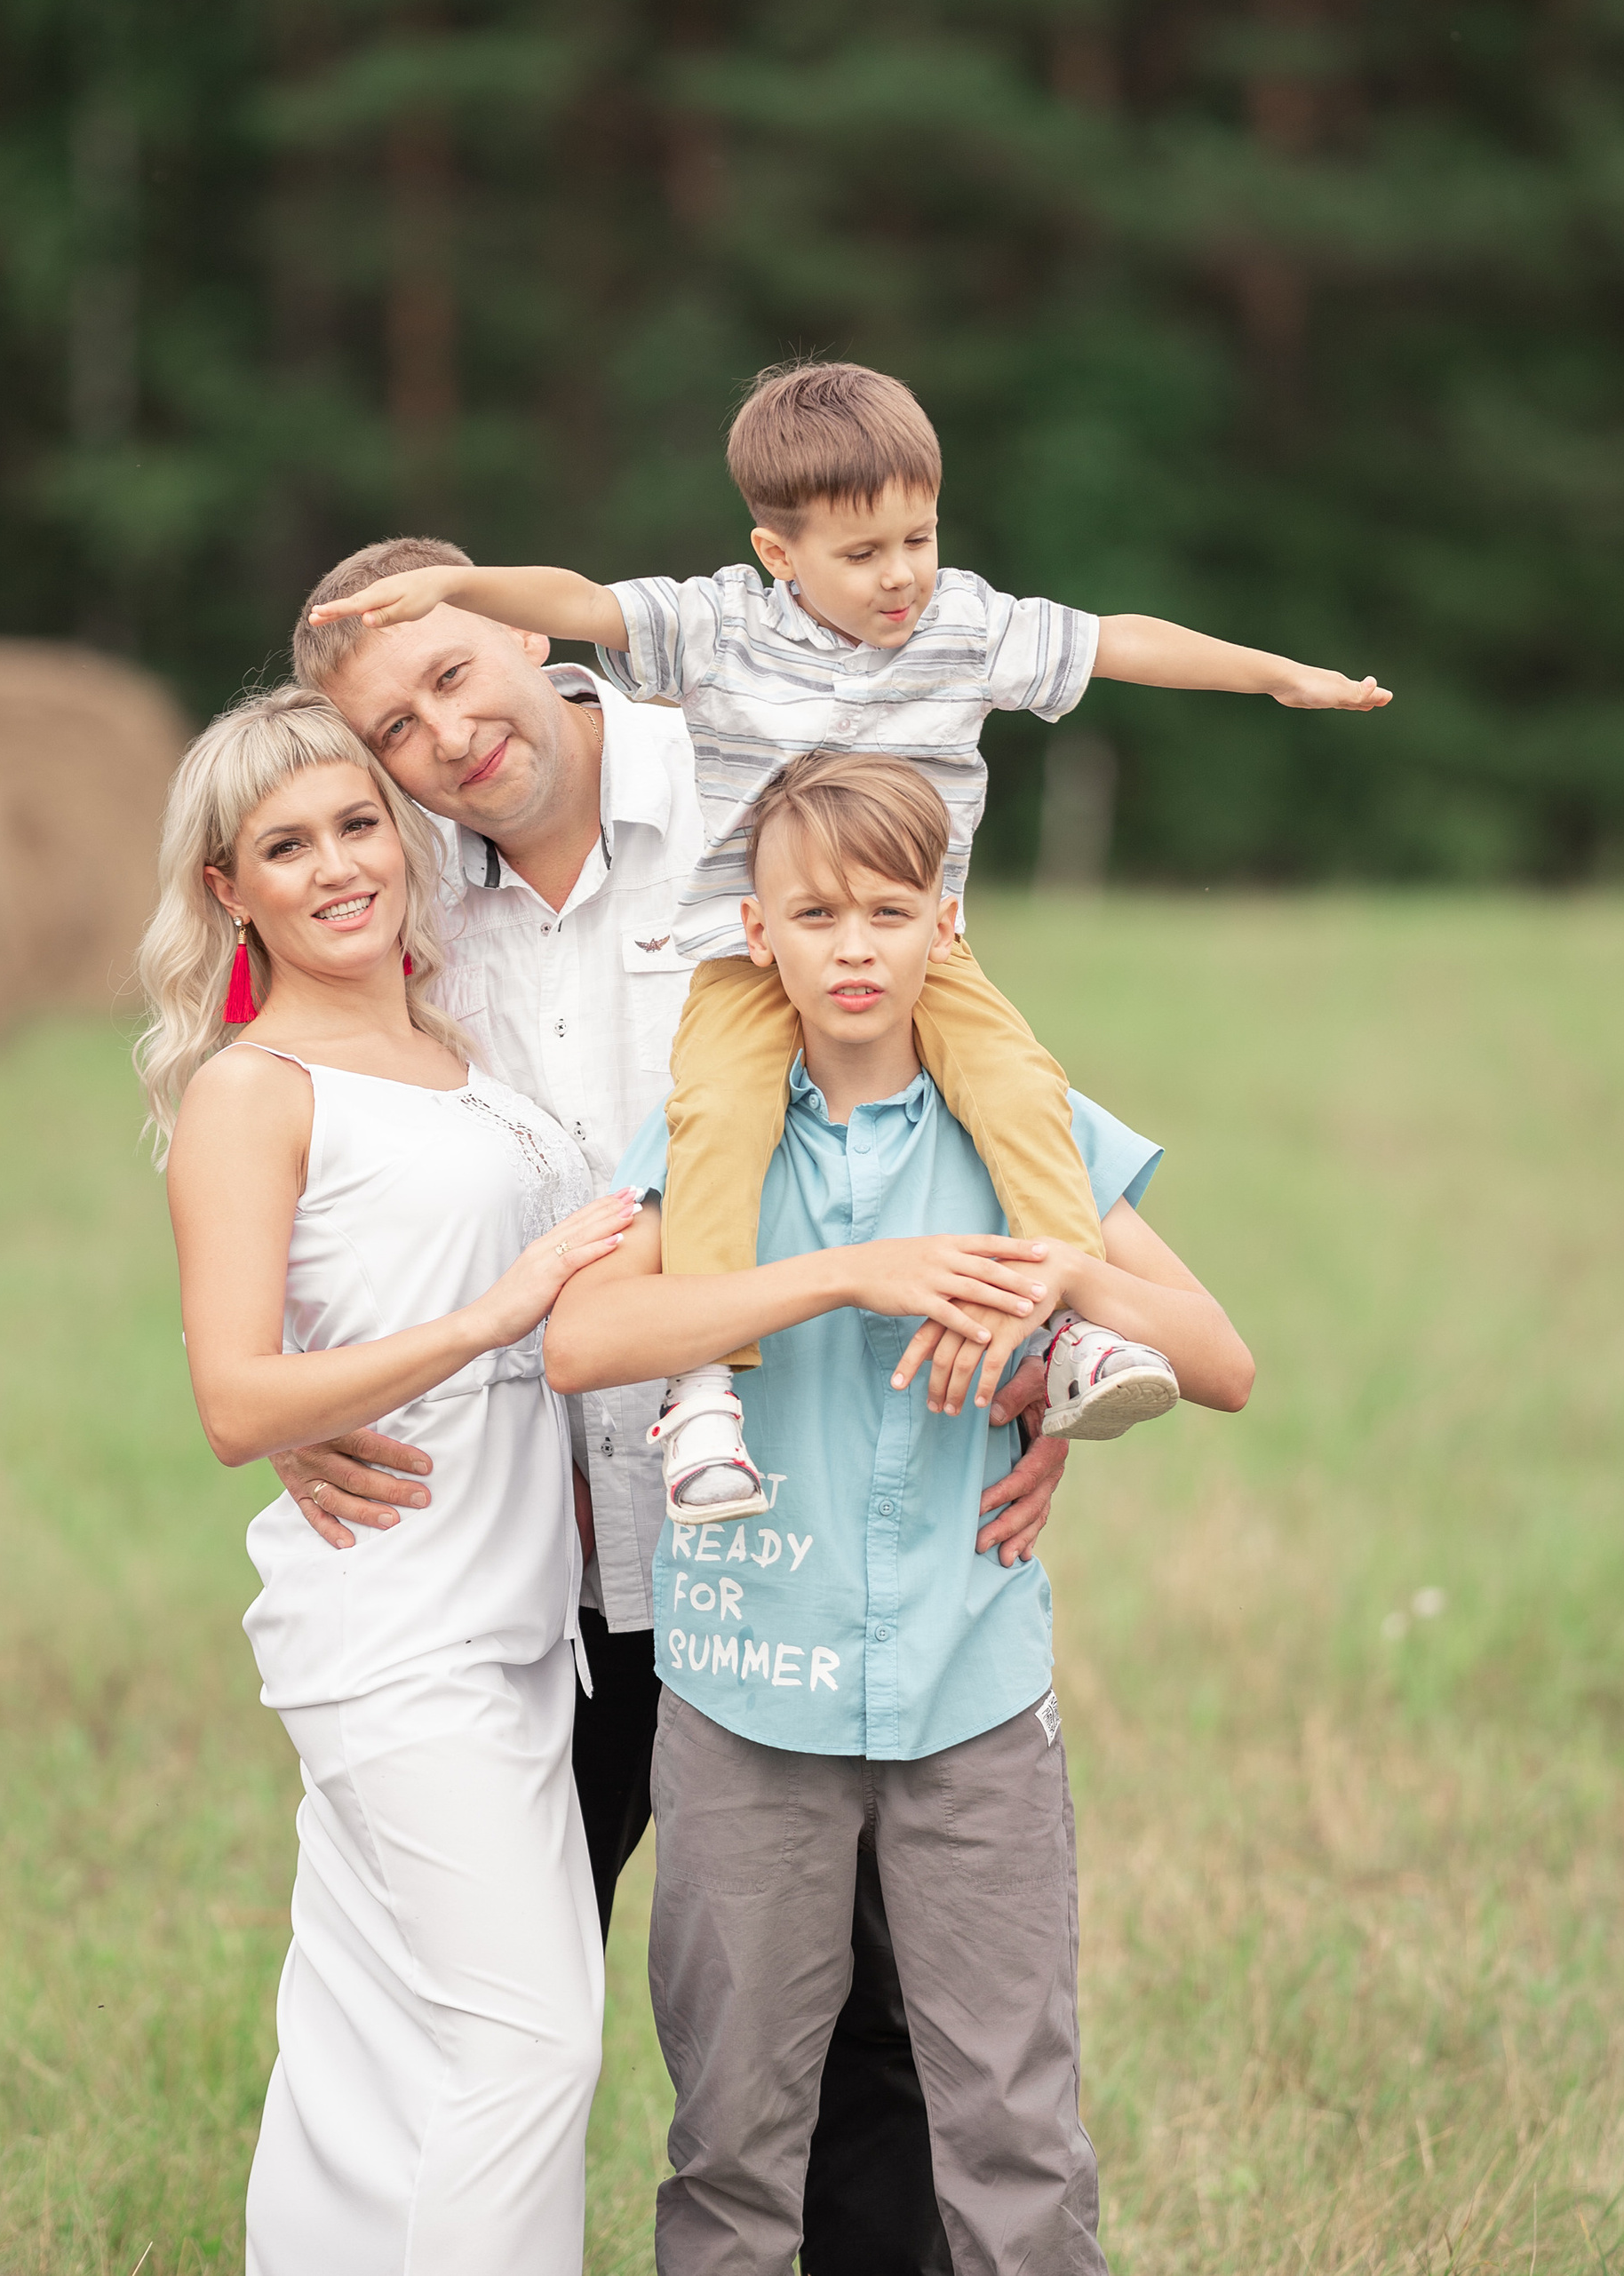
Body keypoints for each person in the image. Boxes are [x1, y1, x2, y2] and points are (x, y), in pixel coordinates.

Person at [284, 533, 1073, 2272]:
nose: (442, 733)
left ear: (528, 630)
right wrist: (281, 1387)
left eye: (451, 670)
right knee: (506, 2027)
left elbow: (958, 1098)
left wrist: (1038, 1377)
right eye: (391, 726)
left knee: (866, 2053)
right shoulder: (398, 903)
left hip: (800, 1528)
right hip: (527, 1563)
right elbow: (297, 1133)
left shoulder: (755, 792)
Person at [309, 358, 1373, 1524]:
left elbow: (1116, 642)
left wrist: (1277, 674)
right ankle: (703, 1387)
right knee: (714, 1110)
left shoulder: (929, 646)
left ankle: (1070, 1330)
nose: (902, 574)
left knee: (1018, 1084)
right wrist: (465, 586)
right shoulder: (700, 648)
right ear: (781, 553)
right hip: (739, 992)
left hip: (915, 1042)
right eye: (865, 555)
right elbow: (581, 602)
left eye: (917, 538)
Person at [544, 751, 1257, 2276]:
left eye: (887, 909)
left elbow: (1225, 1362)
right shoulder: (713, 1140)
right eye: (816, 913)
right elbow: (581, 1344)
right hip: (743, 1700)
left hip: (972, 1695)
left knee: (1011, 2126)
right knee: (734, 2136)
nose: (853, 945)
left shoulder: (1029, 1133)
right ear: (761, 935)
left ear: (947, 923)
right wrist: (852, 1275)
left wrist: (1067, 1274)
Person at [133, 685, 641, 2274]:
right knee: (530, 2043)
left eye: (360, 823)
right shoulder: (253, 1088)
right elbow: (236, 1397)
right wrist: (498, 1310)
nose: (339, 865)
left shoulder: (453, 1047)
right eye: (285, 845)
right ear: (229, 891)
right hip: (396, 1622)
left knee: (372, 2039)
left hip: (520, 1617)